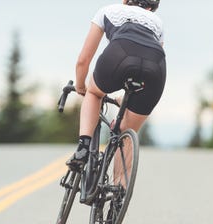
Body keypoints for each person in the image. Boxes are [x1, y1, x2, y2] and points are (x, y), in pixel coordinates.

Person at [67, 0, 166, 169]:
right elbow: (143, 64)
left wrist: (82, 86)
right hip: (156, 66)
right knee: (127, 134)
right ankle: (119, 191)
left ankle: (83, 148)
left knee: (94, 93)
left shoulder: (108, 11)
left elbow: (83, 61)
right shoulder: (157, 22)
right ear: (151, 8)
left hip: (119, 53)